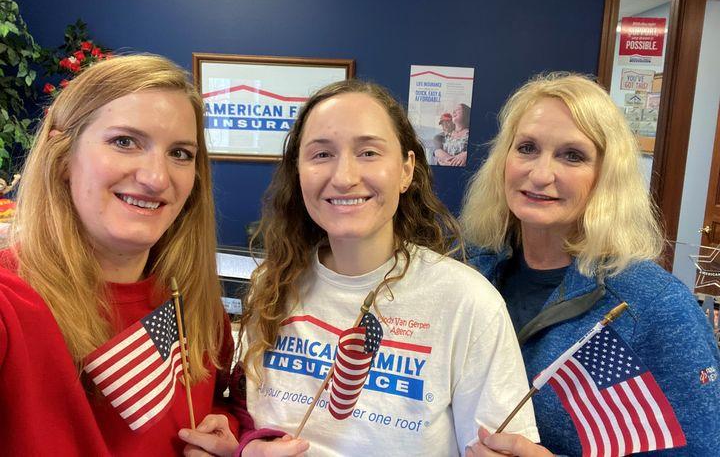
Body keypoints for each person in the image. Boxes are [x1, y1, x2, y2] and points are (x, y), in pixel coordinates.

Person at [184, 79, 539, 456]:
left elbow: (498, 447)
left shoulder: (468, 302)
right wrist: (239, 446)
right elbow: (249, 414)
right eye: (321, 155)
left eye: (369, 152)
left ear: (406, 170)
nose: (344, 177)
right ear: (298, 172)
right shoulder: (270, 284)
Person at [0, 55, 253, 456]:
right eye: (124, 142)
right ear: (62, 156)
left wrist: (225, 430)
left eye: (181, 154)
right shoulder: (10, 304)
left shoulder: (197, 307)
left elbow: (216, 405)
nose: (156, 178)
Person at [461, 73, 720, 456]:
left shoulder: (656, 307)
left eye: (573, 156)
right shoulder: (467, 269)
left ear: (606, 177)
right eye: (527, 148)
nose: (540, 174)